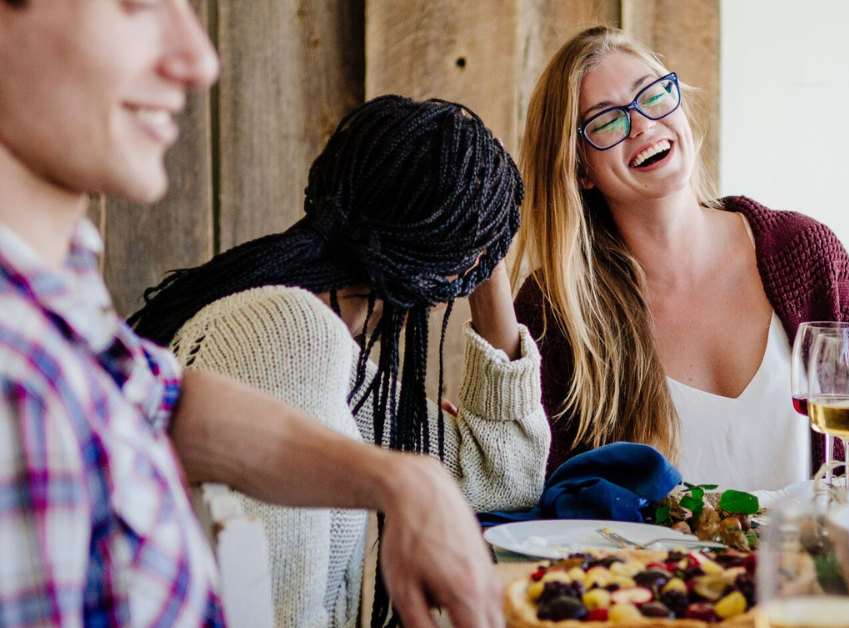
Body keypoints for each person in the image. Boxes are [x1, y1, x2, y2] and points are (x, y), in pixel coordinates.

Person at [0, 2, 502, 628]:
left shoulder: (61, 291)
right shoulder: (18, 381)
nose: (199, 59)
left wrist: (401, 479)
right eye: (137, 5)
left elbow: (169, 400)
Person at [128, 95, 549, 628]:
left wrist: (483, 252)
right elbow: (283, 615)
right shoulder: (286, 335)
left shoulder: (309, 340)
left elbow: (503, 479)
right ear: (450, 273)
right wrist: (476, 246)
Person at [511, 25, 849, 491]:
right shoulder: (556, 309)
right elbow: (536, 485)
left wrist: (841, 534)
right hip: (646, 566)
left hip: (810, 562)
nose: (642, 125)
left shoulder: (806, 251)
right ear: (579, 169)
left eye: (651, 96)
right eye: (607, 121)